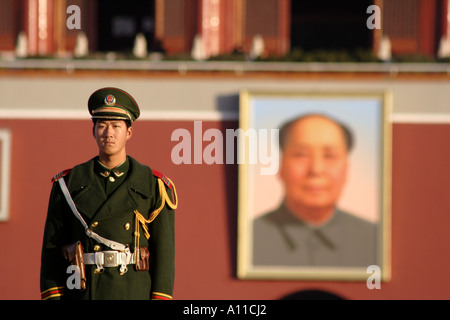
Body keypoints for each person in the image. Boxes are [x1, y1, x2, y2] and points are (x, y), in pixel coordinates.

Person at [40, 87, 178, 300]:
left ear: (129, 132)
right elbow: (51, 250)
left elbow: (164, 256)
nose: (109, 133)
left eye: (116, 126)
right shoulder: (68, 184)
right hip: (83, 293)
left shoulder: (153, 186)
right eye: (102, 126)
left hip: (131, 292)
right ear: (93, 130)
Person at [253, 113, 377, 268]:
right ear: (281, 166)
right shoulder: (248, 240)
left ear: (347, 169)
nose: (316, 169)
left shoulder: (375, 240)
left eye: (330, 156)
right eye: (301, 155)